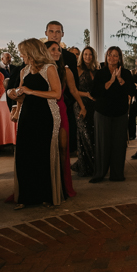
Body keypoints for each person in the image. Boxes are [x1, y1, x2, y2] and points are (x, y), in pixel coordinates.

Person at [7, 38, 63, 209]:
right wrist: (14, 94)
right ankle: (26, 196)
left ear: (32, 52)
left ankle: (46, 196)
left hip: (46, 114)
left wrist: (32, 91)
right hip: (27, 115)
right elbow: (22, 95)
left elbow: (57, 93)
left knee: (43, 153)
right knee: (25, 154)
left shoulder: (49, 68)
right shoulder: (24, 71)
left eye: (23, 52)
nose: (21, 55)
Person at [90, 46, 134, 183]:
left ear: (120, 58)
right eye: (110, 55)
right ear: (106, 56)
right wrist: (110, 81)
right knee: (102, 144)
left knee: (119, 144)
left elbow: (132, 90)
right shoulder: (100, 73)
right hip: (102, 113)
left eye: (115, 55)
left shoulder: (126, 73)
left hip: (120, 113)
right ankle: (99, 174)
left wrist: (120, 79)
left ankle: (117, 174)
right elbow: (94, 93)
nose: (112, 58)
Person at [45, 41, 82, 198]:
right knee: (46, 150)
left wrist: (83, 106)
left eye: (58, 50)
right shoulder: (39, 70)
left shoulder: (65, 71)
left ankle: (62, 187)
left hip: (61, 110)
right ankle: (47, 186)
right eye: (52, 49)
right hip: (43, 112)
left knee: (62, 149)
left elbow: (73, 90)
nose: (57, 52)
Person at [45, 21, 79, 153]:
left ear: (62, 34)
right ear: (46, 33)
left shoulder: (70, 57)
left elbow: (74, 83)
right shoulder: (37, 54)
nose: (54, 35)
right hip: (42, 105)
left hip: (64, 104)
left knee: (63, 146)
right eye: (51, 31)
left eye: (58, 31)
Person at [74, 46, 98, 178]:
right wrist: (87, 95)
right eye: (85, 54)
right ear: (82, 56)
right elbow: (73, 90)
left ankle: (95, 165)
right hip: (80, 104)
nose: (88, 57)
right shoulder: (77, 70)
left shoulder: (96, 70)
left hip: (93, 106)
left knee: (93, 135)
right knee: (85, 136)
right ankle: (88, 166)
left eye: (90, 55)